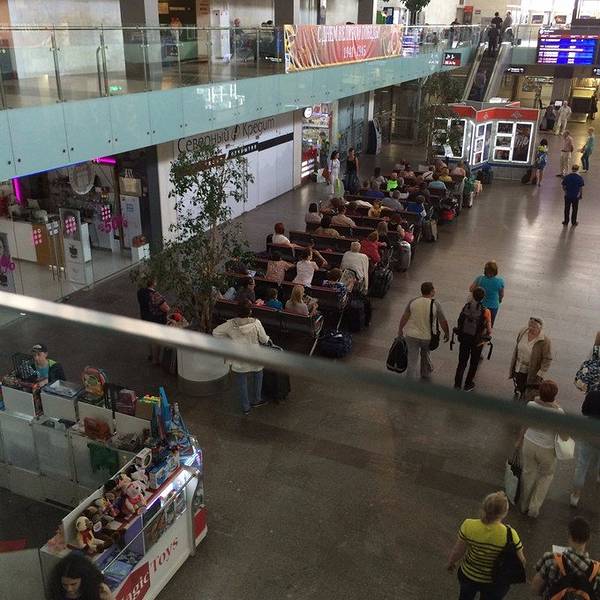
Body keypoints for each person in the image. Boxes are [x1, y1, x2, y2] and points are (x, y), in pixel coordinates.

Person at [447, 491, 525, 600]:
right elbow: (521, 560)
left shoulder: (469, 525)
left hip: (469, 575)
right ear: (504, 513)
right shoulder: (510, 534)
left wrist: (451, 562)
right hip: (495, 581)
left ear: (483, 507)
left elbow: (458, 551)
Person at [515, 380, 566, 518]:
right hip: (547, 449)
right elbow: (562, 433)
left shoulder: (531, 405)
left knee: (528, 473)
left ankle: (524, 504)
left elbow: (525, 424)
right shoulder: (559, 412)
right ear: (555, 395)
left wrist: (519, 441)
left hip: (529, 442)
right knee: (546, 476)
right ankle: (534, 507)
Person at [213, 301, 270, 415]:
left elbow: (215, 332)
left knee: (241, 381)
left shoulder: (230, 324)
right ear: (250, 311)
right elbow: (264, 340)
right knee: (258, 375)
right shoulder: (256, 323)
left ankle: (245, 407)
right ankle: (256, 399)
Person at [532, 517, 600, 598]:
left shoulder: (550, 558)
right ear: (588, 539)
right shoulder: (596, 571)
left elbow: (535, 587)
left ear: (569, 535)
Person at [398, 282, 449, 381]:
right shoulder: (436, 304)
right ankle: (425, 373)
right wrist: (447, 333)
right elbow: (443, 321)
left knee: (412, 360)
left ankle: (409, 380)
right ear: (431, 291)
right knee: (425, 354)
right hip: (427, 337)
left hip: (411, 336)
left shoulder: (413, 301)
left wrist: (400, 329)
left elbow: (405, 317)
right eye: (434, 289)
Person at [453, 287, 492, 392]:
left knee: (462, 362)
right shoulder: (486, 311)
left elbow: (460, 321)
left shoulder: (466, 306)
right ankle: (468, 384)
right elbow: (489, 329)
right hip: (477, 341)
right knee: (474, 363)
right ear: (483, 297)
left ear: (473, 296)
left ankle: (457, 384)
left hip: (464, 338)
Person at [569, 390, 600, 507]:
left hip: (589, 431)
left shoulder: (593, 394)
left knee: (582, 464)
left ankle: (575, 495)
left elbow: (584, 411)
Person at [509, 317, 552, 401]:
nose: (530, 328)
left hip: (533, 370)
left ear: (540, 328)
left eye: (534, 327)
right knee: (519, 382)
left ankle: (523, 398)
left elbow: (547, 358)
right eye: (529, 325)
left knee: (528, 387)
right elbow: (517, 344)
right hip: (519, 366)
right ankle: (520, 391)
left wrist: (541, 373)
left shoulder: (545, 341)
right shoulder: (523, 332)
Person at [136, 278, 170, 364]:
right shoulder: (155, 295)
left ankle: (151, 355)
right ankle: (155, 360)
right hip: (156, 320)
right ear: (153, 283)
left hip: (145, 317)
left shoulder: (140, 292)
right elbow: (166, 308)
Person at [469, 260, 504, 325]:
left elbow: (471, 289)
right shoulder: (500, 281)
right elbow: (501, 294)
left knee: (479, 323)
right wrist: (500, 300)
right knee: (490, 323)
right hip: (493, 306)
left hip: (481, 305)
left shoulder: (480, 278)